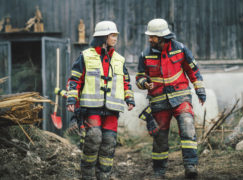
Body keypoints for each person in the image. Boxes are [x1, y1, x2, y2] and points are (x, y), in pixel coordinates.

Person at [136, 18, 206, 178]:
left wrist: (199, 90)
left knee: (188, 127)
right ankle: (159, 172)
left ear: (161, 37)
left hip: (181, 98)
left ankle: (190, 166)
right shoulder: (145, 55)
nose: (149, 39)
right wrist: (143, 83)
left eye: (152, 36)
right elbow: (139, 76)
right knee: (159, 138)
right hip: (159, 102)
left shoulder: (180, 49)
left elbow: (193, 70)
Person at [67, 20, 135, 180]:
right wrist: (71, 99)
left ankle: (104, 176)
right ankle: (88, 175)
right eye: (112, 35)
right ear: (103, 37)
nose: (115, 38)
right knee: (93, 138)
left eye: (116, 35)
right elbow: (74, 80)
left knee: (109, 143)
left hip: (112, 109)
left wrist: (129, 98)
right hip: (91, 108)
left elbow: (126, 81)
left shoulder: (119, 59)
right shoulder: (85, 56)